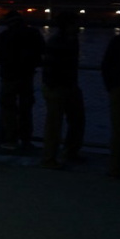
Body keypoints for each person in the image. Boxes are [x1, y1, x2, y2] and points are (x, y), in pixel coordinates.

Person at [39, 9, 85, 170]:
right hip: (60, 86)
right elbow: (54, 67)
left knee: (63, 122)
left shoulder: (61, 40)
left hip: (62, 85)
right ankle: (54, 156)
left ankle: (56, 155)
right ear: (69, 25)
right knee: (60, 123)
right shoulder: (63, 41)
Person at [0, 9, 45, 151]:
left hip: (9, 76)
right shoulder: (33, 33)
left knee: (8, 109)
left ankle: (10, 139)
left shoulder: (4, 36)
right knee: (26, 109)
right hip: (27, 76)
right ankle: (26, 139)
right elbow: (42, 51)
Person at [103, 31, 120, 180]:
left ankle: (115, 169)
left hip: (118, 87)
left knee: (118, 131)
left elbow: (106, 65)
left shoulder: (117, 41)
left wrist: (111, 86)